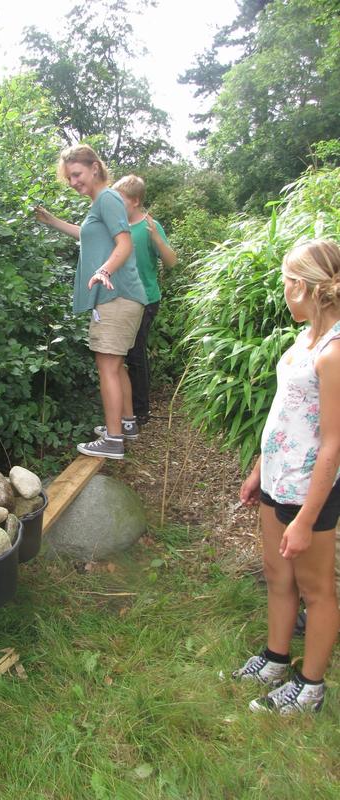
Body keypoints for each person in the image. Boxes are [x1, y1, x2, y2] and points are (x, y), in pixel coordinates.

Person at [234, 238, 340, 714]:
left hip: (310, 493)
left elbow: (334, 444)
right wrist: (260, 470)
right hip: (278, 480)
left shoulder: (335, 352)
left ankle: (310, 686)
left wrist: (305, 519)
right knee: (279, 576)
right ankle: (276, 659)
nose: (283, 293)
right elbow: (287, 414)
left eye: (285, 284)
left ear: (303, 286)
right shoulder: (306, 337)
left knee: (316, 591)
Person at [35, 145, 147, 459]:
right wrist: (51, 220)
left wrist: (103, 269)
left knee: (107, 366)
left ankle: (113, 440)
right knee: (116, 364)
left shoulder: (108, 198)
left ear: (94, 168)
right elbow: (88, 236)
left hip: (115, 294)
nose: (72, 181)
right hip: (122, 296)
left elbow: (124, 244)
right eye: (69, 177)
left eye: (77, 174)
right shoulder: (101, 203)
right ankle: (125, 425)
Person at [110, 175, 177, 425]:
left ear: (135, 201)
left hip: (146, 299)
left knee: (134, 354)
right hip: (121, 299)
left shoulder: (150, 226)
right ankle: (128, 409)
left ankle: (140, 412)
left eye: (121, 200)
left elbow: (171, 262)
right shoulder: (117, 225)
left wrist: (157, 239)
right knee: (121, 355)